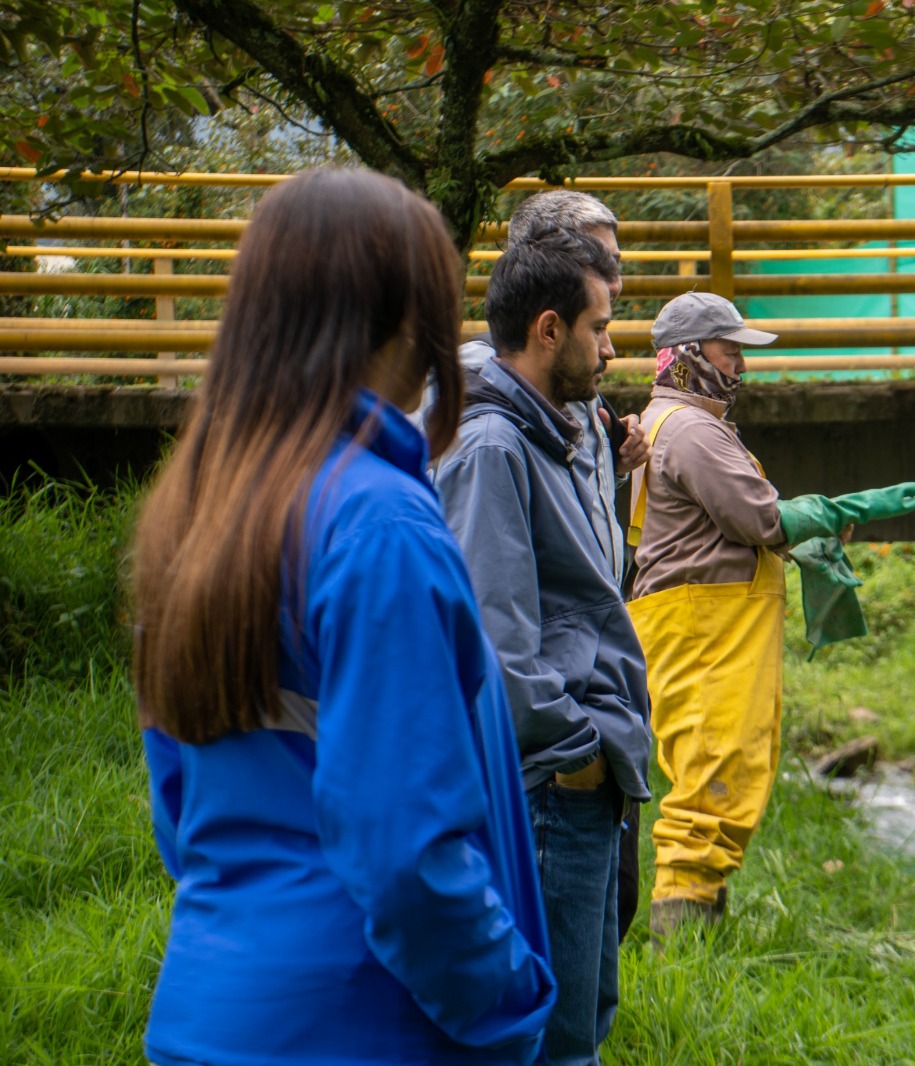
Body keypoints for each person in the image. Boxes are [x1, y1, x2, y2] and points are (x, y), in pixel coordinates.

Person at [132, 168, 556, 1066]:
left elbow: (182, 811)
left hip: (209, 1011)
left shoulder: (196, 511)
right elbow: (408, 856)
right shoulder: (379, 519)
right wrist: (508, 996)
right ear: (405, 313)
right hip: (369, 1024)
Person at [627, 291, 915, 938]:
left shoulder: (674, 423)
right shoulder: (689, 428)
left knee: (726, 769)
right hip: (704, 623)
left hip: (705, 619)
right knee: (713, 779)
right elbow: (759, 520)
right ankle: (680, 947)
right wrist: (848, 507)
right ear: (686, 355)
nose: (741, 365)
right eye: (729, 349)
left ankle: (700, 933)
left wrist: (811, 532)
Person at [434, 231, 650, 1066]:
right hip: (554, 783)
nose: (613, 345)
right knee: (554, 1042)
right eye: (603, 326)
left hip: (586, 772)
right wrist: (574, 754)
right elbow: (495, 639)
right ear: (550, 329)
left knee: (585, 1020)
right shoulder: (494, 448)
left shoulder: (553, 430)